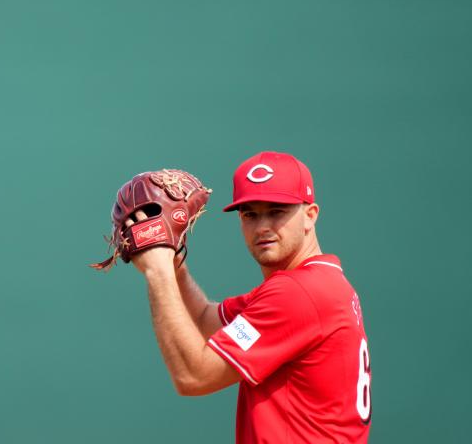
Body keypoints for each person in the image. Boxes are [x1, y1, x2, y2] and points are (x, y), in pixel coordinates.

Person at [126, 151, 371, 443]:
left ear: (310, 215)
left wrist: (158, 271)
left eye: (277, 211)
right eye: (250, 214)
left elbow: (193, 377)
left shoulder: (297, 294)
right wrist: (175, 262)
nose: (262, 226)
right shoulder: (316, 282)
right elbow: (205, 319)